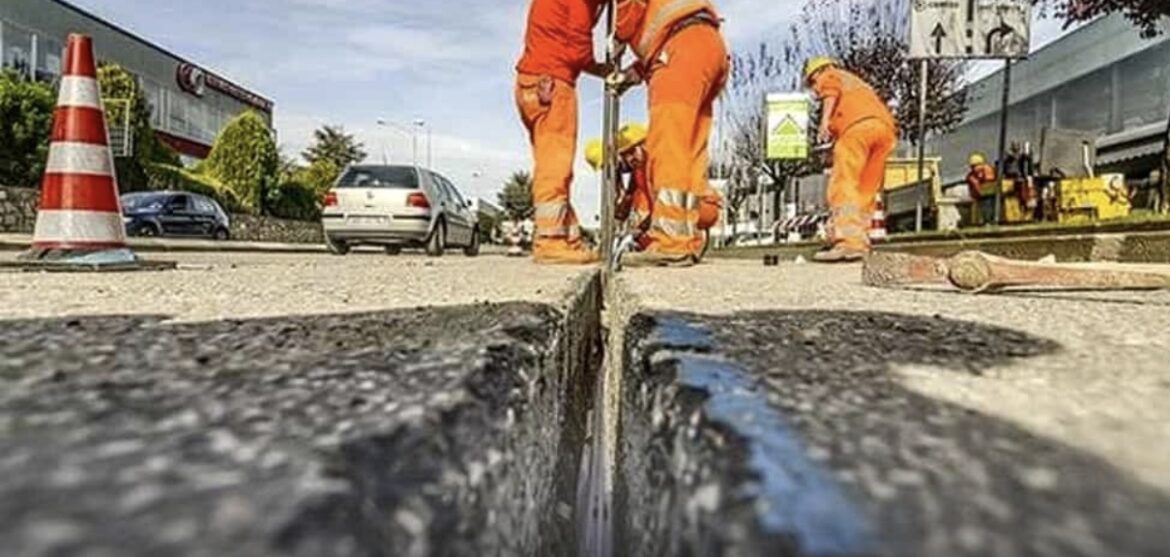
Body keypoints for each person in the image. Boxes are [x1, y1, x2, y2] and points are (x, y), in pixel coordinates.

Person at [609, 0, 729, 267]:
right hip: (707, 46)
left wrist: (618, 37)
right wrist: (630, 77)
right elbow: (657, 41)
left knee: (668, 147)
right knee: (690, 150)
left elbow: (631, 6)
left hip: (679, 49)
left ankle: (671, 243)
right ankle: (687, 240)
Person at [515, 0, 609, 264]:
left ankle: (569, 239)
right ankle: (550, 242)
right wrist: (601, 69)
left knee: (550, 164)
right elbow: (579, 49)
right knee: (556, 167)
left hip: (530, 83)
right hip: (554, 84)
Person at [804, 57, 898, 262]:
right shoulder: (857, 82)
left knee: (843, 184)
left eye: (812, 83)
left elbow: (830, 92)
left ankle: (847, 241)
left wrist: (825, 122)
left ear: (816, 73)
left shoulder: (829, 75)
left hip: (856, 130)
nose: (814, 89)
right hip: (884, 130)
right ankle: (860, 241)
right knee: (866, 189)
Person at [584, 123, 721, 252]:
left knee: (651, 224)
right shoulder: (639, 169)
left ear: (644, 145)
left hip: (703, 207)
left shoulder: (660, 162)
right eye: (626, 155)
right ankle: (668, 244)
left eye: (631, 152)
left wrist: (641, 227)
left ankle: (679, 246)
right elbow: (626, 204)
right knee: (644, 238)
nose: (630, 159)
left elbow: (662, 204)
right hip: (685, 209)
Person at [966, 152, 998, 225]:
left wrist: (978, 185)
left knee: (988, 205)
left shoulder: (987, 170)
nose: (974, 169)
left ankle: (989, 220)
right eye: (972, 167)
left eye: (975, 166)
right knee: (984, 207)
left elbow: (989, 182)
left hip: (989, 193)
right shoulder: (972, 176)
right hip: (980, 195)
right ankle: (985, 220)